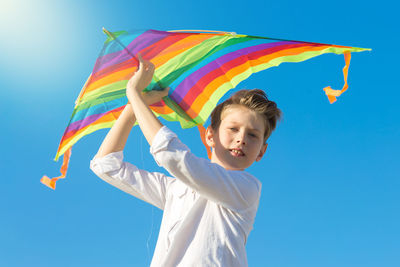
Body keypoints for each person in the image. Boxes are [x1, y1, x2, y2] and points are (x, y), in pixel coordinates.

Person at [90, 54, 281, 267]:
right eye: (233, 129)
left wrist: (135, 95)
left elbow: (172, 156)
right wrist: (132, 107)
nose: (241, 139)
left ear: (261, 152)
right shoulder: (175, 189)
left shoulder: (247, 189)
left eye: (253, 135)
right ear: (210, 135)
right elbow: (106, 165)